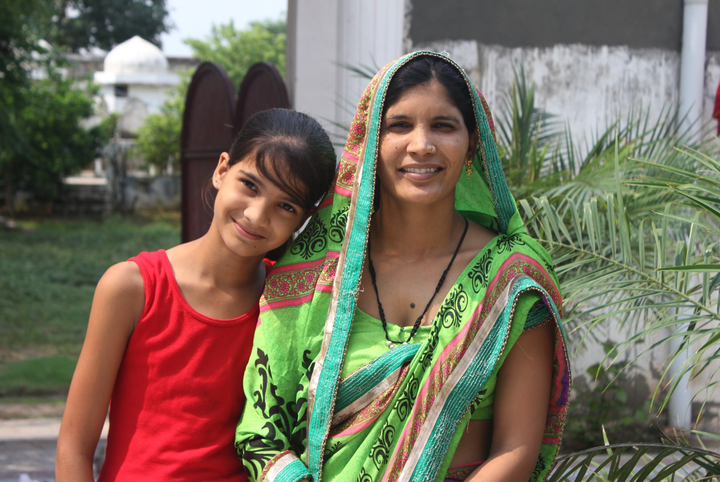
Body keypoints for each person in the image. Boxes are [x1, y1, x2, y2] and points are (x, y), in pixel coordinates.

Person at [235, 52, 571, 482]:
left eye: (443, 126)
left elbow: (515, 449)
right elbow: (260, 434)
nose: (421, 145)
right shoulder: (316, 268)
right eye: (400, 125)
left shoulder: (513, 278)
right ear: (371, 141)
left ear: (472, 143)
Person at [55, 108, 337, 482]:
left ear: (303, 219)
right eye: (250, 185)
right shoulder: (131, 288)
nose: (256, 215)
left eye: (285, 206)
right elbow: (73, 447)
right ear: (222, 170)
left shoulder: (290, 306)